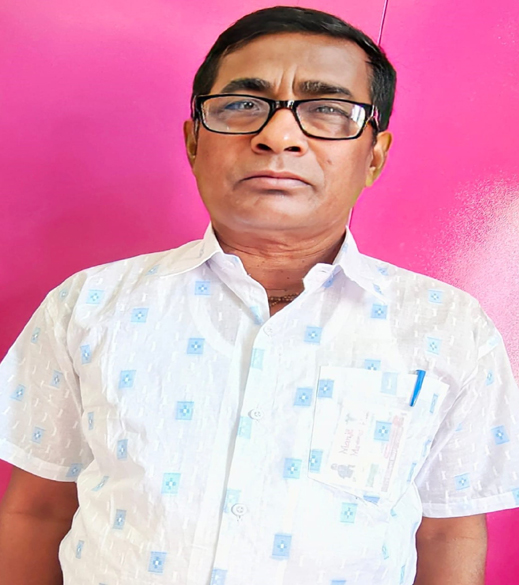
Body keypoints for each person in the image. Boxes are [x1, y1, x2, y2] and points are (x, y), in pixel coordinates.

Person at [0, 5, 518, 585]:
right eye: (243, 105)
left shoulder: (449, 328)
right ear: (194, 142)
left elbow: (448, 532)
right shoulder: (87, 307)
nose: (277, 136)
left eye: (327, 109)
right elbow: (37, 510)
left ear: (373, 155)